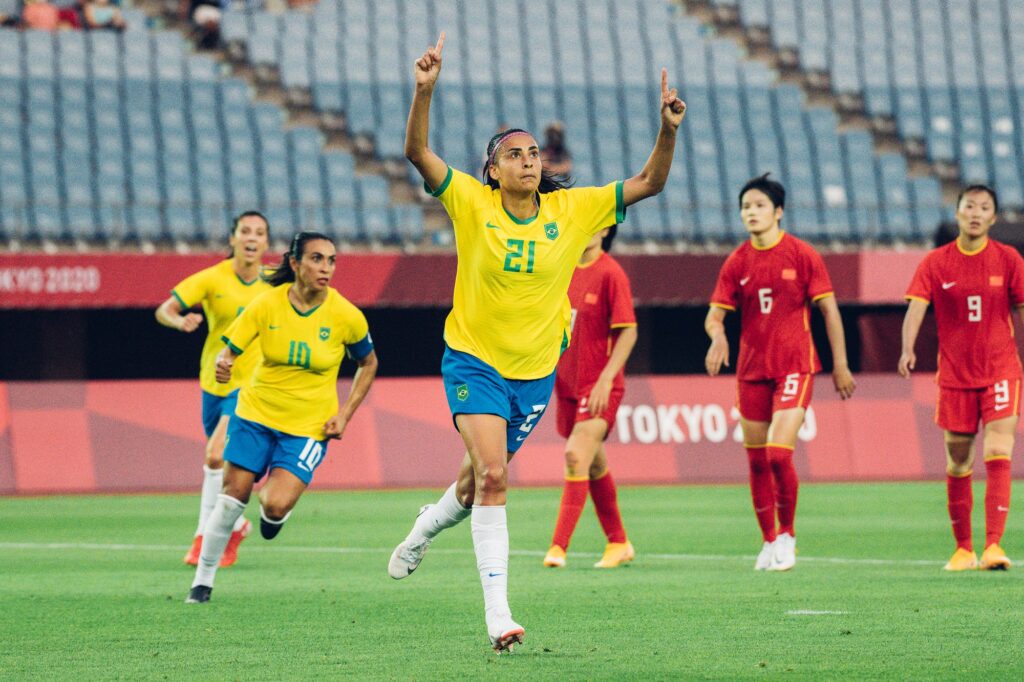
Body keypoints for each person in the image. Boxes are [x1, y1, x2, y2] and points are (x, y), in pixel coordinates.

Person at [387, 32, 684, 652]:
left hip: (535, 372)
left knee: (474, 486)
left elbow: (650, 184)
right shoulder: (471, 202)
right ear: (492, 170)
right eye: (514, 154)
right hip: (473, 359)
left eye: (533, 154)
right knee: (495, 476)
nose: (529, 160)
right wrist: (424, 91)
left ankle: (424, 527)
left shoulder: (571, 210)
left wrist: (668, 129)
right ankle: (499, 616)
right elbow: (417, 152)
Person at [186, 231, 378, 603]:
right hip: (255, 414)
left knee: (273, 506)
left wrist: (345, 415)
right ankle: (202, 582)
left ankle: (274, 517)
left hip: (308, 427)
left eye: (332, 260)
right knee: (231, 498)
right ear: (295, 264)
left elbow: (368, 363)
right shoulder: (266, 305)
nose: (326, 268)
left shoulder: (345, 315)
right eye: (317, 259)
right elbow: (230, 352)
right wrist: (225, 365)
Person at [705, 173, 856, 572]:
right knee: (755, 461)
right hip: (752, 369)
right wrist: (717, 335)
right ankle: (768, 541)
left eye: (758, 205)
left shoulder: (802, 255)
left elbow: (829, 312)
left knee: (777, 452)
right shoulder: (737, 261)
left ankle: (787, 535)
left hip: (796, 365)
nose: (751, 213)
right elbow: (714, 314)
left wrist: (840, 364)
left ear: (778, 212)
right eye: (745, 207)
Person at [899, 185, 1020, 572]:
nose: (976, 213)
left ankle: (994, 546)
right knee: (958, 460)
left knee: (999, 449)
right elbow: (916, 308)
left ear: (993, 218)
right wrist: (907, 348)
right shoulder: (936, 263)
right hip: (954, 375)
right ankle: (963, 548)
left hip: (1001, 369)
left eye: (984, 208)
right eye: (969, 206)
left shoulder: (1009, 259)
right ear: (957, 213)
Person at [156, 211, 272, 568]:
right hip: (213, 383)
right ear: (233, 238)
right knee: (224, 470)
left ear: (266, 243)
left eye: (259, 233)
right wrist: (180, 320)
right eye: (245, 231)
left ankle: (202, 538)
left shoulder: (275, 283)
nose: (251, 238)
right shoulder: (212, 278)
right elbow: (165, 309)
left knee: (214, 455)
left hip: (251, 386)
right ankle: (235, 525)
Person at [542, 224, 637, 569]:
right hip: (566, 383)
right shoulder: (562, 271)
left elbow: (628, 333)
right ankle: (618, 543)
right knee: (593, 462)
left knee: (574, 455)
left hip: (600, 386)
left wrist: (606, 380)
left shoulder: (611, 273)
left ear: (606, 230)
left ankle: (558, 547)